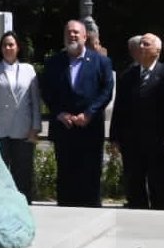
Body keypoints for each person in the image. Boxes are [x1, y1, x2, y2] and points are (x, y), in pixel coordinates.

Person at [40, 20, 114, 207]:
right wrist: (59, 113)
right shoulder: (54, 62)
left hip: (89, 127)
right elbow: (47, 91)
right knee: (66, 174)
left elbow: (106, 91)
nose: (72, 36)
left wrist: (89, 113)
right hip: (64, 128)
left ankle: (91, 210)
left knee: (90, 174)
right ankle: (65, 211)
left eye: (76, 32)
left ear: (84, 36)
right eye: (68, 33)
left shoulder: (101, 61)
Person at [110, 34, 164, 210]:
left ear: (157, 50)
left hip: (160, 143)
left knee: (160, 188)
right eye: (140, 44)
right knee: (134, 188)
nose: (141, 47)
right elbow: (119, 108)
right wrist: (115, 137)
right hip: (132, 143)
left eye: (146, 44)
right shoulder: (128, 76)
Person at [0, 31, 42, 201]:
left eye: (11, 44)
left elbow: (35, 101)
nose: (8, 48)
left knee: (23, 172)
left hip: (23, 129)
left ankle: (24, 204)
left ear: (18, 47)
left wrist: (36, 127)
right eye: (4, 45)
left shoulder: (29, 70)